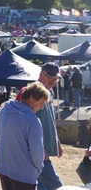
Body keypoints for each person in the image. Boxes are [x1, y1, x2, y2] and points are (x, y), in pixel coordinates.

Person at [0, 82, 50, 190]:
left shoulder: (4, 110)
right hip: (24, 175)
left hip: (4, 169)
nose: (42, 107)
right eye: (41, 102)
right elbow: (37, 153)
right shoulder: (32, 121)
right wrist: (38, 169)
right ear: (31, 98)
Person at [35, 62, 63, 190]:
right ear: (41, 74)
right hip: (38, 150)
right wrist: (40, 147)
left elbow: (50, 119)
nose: (53, 80)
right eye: (50, 77)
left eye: (55, 78)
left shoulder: (49, 92)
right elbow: (30, 123)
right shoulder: (35, 93)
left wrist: (57, 141)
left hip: (43, 148)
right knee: (55, 185)